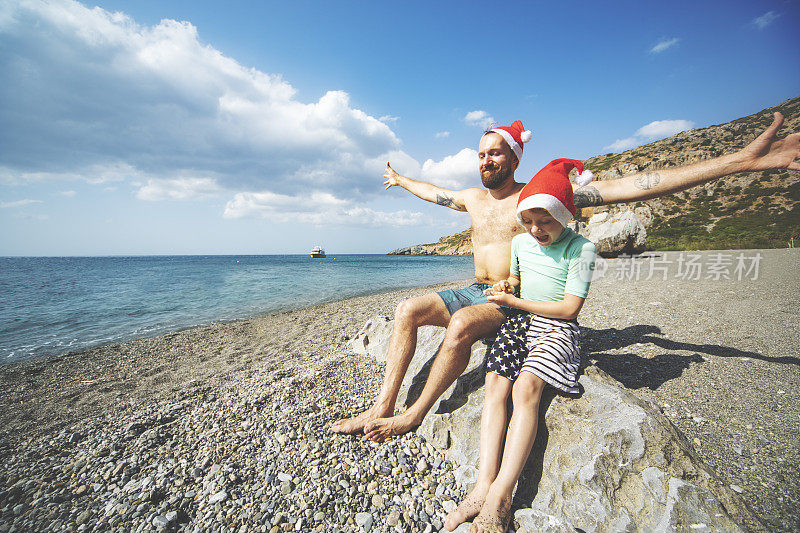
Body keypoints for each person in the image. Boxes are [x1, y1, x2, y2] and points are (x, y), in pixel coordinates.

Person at [329, 113, 800, 442]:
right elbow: (434, 193)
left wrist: (739, 161)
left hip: (509, 299)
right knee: (407, 309)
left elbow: (629, 186)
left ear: (514, 159)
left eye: (495, 154)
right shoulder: (473, 198)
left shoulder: (538, 198)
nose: (485, 161)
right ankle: (382, 406)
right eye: (481, 155)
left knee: (460, 328)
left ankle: (413, 416)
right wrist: (403, 180)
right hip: (476, 288)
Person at [444, 159, 596, 532]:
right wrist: (506, 288)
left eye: (545, 221)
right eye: (528, 220)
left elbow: (570, 307)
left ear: (564, 215)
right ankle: (482, 486)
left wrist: (514, 303)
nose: (535, 229)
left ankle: (501, 496)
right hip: (521, 320)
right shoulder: (520, 242)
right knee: (495, 383)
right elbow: (515, 278)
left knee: (526, 388)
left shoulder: (582, 249)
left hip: (558, 328)